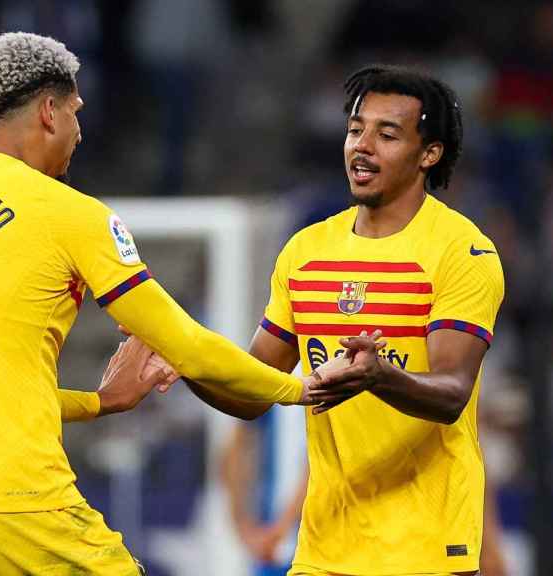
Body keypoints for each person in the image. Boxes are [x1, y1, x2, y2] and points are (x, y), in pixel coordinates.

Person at [0, 32, 354, 576]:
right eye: (76, 112)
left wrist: (101, 401)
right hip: (11, 497)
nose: (80, 132)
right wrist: (304, 387)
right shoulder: (67, 210)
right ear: (49, 110)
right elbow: (185, 343)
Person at [182, 64, 505, 575]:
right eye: (356, 130)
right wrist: (179, 353)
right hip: (324, 550)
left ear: (430, 153)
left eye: (387, 133)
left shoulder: (461, 252)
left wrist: (380, 376)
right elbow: (250, 393)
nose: (363, 145)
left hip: (424, 549)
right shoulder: (307, 252)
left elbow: (451, 393)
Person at [221, 409, 308, 576]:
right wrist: (243, 526)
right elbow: (234, 453)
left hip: (292, 543)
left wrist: (277, 529)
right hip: (274, 548)